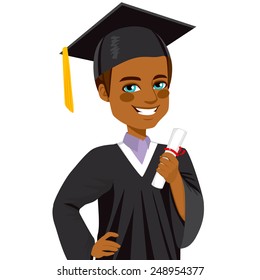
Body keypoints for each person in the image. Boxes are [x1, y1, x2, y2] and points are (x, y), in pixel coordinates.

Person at [53, 3, 204, 260]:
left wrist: (175, 180)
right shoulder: (102, 160)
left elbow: (187, 234)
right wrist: (86, 249)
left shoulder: (176, 156)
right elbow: (64, 206)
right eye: (131, 87)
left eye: (159, 83)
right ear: (104, 92)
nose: (149, 98)